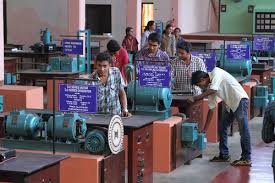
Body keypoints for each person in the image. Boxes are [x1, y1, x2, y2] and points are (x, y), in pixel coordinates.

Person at [189, 68, 252, 166]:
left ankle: (246, 158)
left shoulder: (216, 72)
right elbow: (211, 109)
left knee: (244, 130)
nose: (200, 87)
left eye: (198, 85)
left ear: (202, 79)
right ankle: (224, 155)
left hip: (240, 100)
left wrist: (195, 98)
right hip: (230, 105)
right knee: (222, 127)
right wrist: (205, 129)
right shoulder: (210, 87)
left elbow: (214, 89)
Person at [90, 52, 131, 117]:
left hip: (115, 116)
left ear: (110, 65)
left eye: (104, 66)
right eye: (99, 65)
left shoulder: (116, 72)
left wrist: (125, 109)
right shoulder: (91, 79)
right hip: (98, 117)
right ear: (96, 65)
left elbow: (122, 93)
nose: (102, 69)